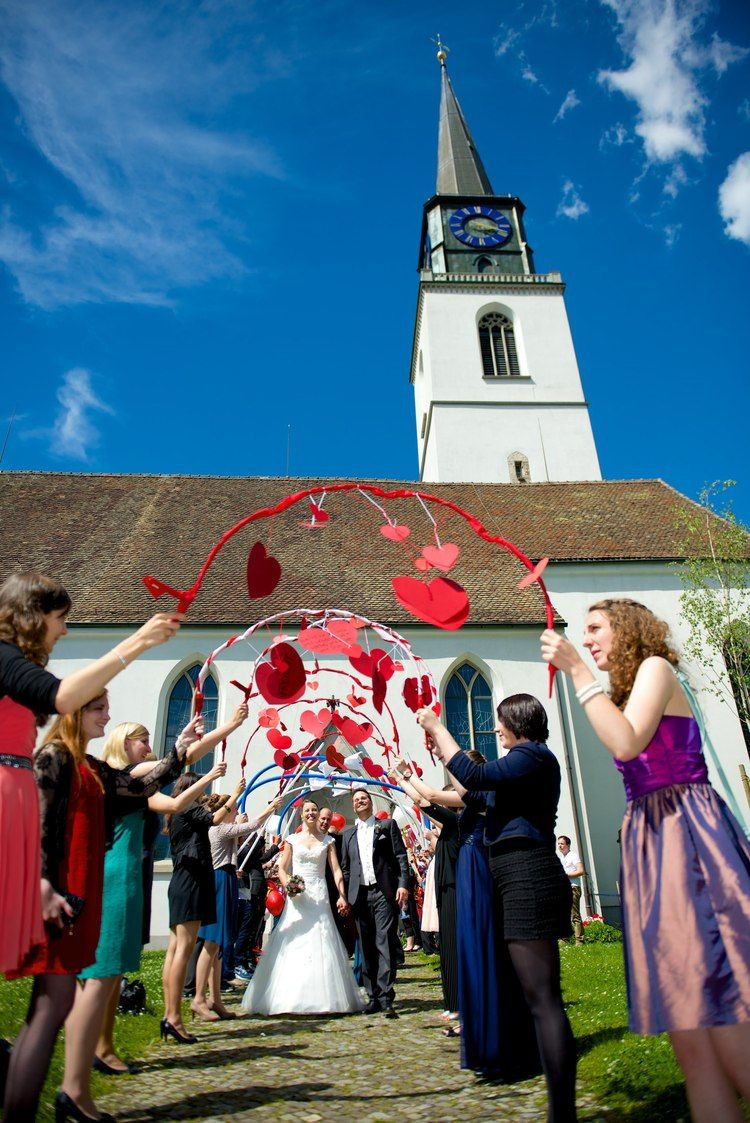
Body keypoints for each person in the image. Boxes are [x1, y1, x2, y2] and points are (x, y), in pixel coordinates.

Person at [541, 598, 750, 1123]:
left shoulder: (657, 668)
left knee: (724, 1020)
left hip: (688, 837)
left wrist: (575, 669)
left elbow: (628, 741)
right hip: (652, 846)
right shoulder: (624, 691)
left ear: (627, 630)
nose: (586, 638)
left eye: (595, 628)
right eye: (583, 633)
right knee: (691, 1043)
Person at [5, 692, 187, 1123]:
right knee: (60, 1000)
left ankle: (73, 1089)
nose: (108, 715)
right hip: (65, 892)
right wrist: (48, 886)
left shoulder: (91, 766)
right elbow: (41, 825)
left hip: (85, 887)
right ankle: (64, 1093)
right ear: (77, 713)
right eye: (99, 708)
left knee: (64, 997)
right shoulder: (54, 757)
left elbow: (140, 786)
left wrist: (180, 747)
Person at [0, 571, 180, 981]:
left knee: (55, 978)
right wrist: (138, 642)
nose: (65, 629)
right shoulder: (3, 655)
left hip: (17, 799)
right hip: (7, 796)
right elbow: (63, 697)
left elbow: (142, 784)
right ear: (33, 615)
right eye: (60, 617)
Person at [417, 696, 577, 1123]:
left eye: (500, 723)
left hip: (528, 875)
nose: (496, 730)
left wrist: (437, 726)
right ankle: (526, 1059)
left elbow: (473, 773)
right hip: (510, 876)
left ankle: (562, 1108)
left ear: (518, 722)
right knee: (528, 991)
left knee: (543, 997)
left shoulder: (533, 758)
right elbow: (475, 793)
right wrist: (443, 753)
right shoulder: (520, 764)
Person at [83, 710, 247, 1078]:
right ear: (124, 744)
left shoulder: (133, 786)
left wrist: (199, 759)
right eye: (142, 741)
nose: (148, 749)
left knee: (117, 968)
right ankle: (97, 1048)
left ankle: (105, 1044)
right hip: (118, 873)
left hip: (130, 873)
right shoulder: (122, 774)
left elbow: (173, 801)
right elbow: (179, 760)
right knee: (108, 965)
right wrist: (230, 727)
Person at [393, 758, 541, 1079]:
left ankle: (496, 1033)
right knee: (473, 949)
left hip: (479, 872)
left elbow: (431, 795)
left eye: (460, 773)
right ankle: (479, 1029)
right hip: (468, 874)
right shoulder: (470, 802)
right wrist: (404, 777)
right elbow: (427, 799)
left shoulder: (482, 795)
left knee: (485, 947)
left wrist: (408, 773)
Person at [241, 798, 365, 1015]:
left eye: (314, 810)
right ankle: (288, 996)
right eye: (308, 810)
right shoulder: (292, 840)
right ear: (302, 814)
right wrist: (288, 881)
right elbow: (281, 867)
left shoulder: (327, 841)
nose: (311, 813)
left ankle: (325, 997)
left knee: (322, 936)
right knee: (295, 938)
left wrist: (342, 895)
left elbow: (336, 870)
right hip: (298, 895)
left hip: (319, 894)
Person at [193, 785, 283, 1020]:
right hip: (220, 880)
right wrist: (270, 809)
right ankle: (199, 999)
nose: (235, 812)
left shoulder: (223, 828)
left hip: (227, 878)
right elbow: (251, 826)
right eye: (232, 809)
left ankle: (216, 1000)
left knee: (219, 945)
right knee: (212, 942)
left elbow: (243, 830)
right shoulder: (218, 829)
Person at [339, 787, 410, 1016]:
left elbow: (401, 856)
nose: (360, 802)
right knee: (366, 945)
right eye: (357, 800)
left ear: (370, 802)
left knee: (384, 942)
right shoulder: (348, 834)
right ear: (353, 806)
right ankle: (373, 996)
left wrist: (403, 884)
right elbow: (346, 868)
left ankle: (386, 995)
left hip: (383, 891)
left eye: (364, 798)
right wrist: (346, 896)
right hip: (359, 895)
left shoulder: (386, 826)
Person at [234, 830, 281, 981]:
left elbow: (259, 859)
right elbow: (259, 856)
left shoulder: (250, 850)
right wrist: (274, 846)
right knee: (247, 928)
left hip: (257, 891)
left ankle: (248, 958)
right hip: (250, 892)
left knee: (255, 928)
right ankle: (240, 961)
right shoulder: (244, 849)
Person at [557, 836, 585, 946]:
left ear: (568, 845)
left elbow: (581, 871)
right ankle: (564, 939)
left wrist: (565, 875)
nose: (560, 846)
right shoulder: (562, 858)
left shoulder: (573, 855)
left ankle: (580, 941)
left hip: (573, 888)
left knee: (575, 915)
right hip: (563, 889)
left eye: (562, 844)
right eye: (558, 844)